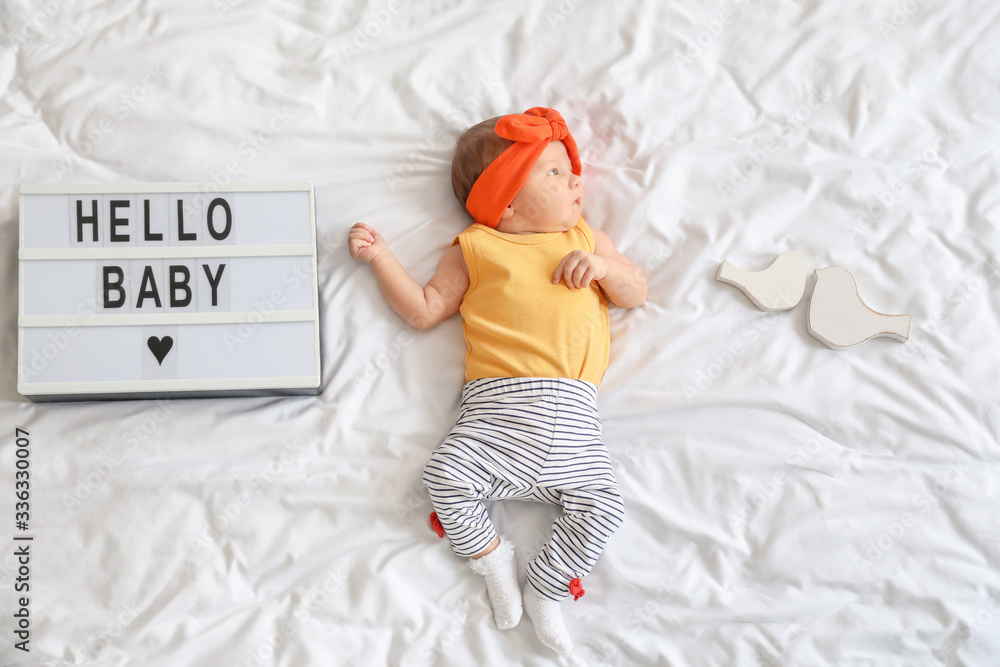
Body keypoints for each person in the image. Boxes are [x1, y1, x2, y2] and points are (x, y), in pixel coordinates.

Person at [348, 107, 646, 656]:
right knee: (444, 479)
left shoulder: (585, 237)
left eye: (569, 169)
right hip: (496, 417)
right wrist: (382, 258)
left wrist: (605, 271)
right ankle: (492, 561)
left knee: (603, 506)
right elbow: (423, 310)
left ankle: (547, 588)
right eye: (554, 173)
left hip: (575, 417)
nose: (576, 179)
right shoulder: (475, 249)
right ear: (505, 201)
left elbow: (636, 290)